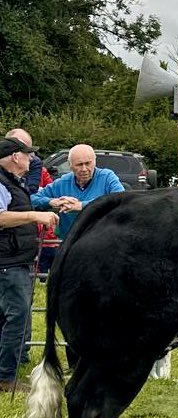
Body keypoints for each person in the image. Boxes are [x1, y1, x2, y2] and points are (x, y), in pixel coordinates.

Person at [0, 137, 59, 392]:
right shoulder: (1, 182)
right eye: (27, 154)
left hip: (14, 260)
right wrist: (36, 215)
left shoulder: (11, 182)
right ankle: (5, 376)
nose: (31, 159)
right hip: (8, 262)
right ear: (15, 156)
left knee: (9, 315)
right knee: (17, 316)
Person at [31, 144, 124, 238]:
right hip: (69, 245)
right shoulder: (62, 183)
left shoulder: (107, 177)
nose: (84, 169)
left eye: (88, 163)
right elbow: (32, 199)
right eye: (79, 165)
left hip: (102, 241)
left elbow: (121, 199)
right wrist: (52, 202)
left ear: (95, 161)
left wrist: (81, 205)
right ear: (70, 165)